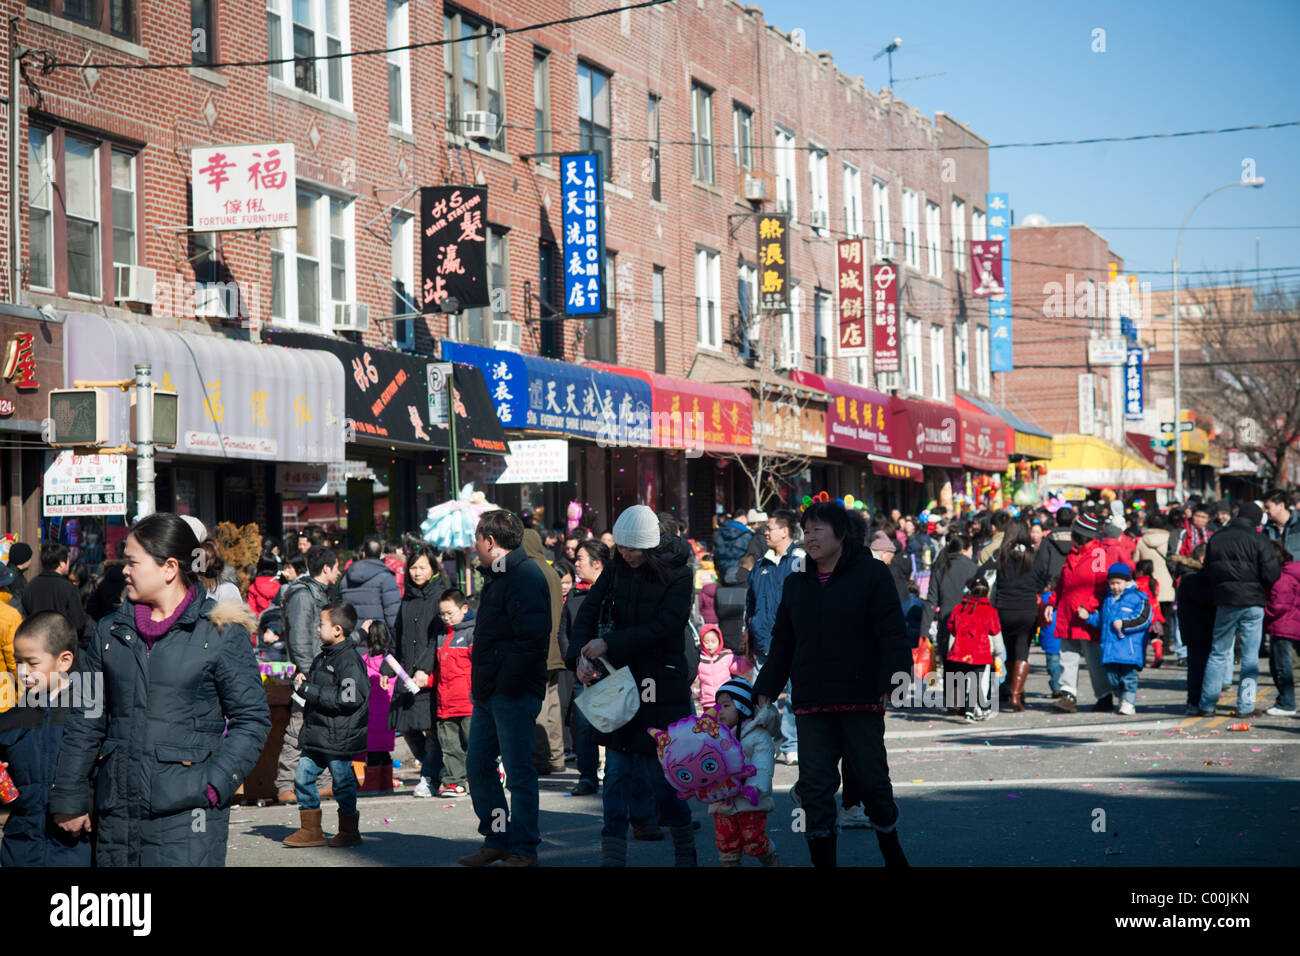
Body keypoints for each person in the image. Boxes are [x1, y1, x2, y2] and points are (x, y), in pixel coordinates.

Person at [50, 513, 270, 866]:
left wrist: (214, 784)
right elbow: (84, 718)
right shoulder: (107, 633)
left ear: (169, 567)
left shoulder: (220, 632)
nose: (124, 570)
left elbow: (253, 719)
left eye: (133, 561)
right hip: (116, 811)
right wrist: (69, 795)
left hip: (188, 815)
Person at [754, 501, 911, 868]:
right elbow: (783, 643)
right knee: (815, 789)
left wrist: (895, 677)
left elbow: (891, 632)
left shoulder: (872, 574)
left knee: (872, 783)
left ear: (841, 534)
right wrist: (765, 687)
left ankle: (892, 849)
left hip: (860, 696)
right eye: (806, 530)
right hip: (812, 701)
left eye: (818, 529)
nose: (810, 537)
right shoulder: (795, 584)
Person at [571, 504, 697, 867]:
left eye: (633, 549)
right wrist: (579, 655)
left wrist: (611, 644)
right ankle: (613, 854)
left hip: (661, 683)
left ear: (651, 545)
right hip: (619, 684)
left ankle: (684, 850)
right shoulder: (615, 568)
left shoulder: (678, 573)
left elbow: (666, 626)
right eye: (622, 548)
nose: (626, 555)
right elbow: (590, 610)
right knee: (616, 773)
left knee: (664, 776)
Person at [460, 510, 551, 867]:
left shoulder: (524, 575)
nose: (475, 546)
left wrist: (504, 684)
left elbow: (530, 641)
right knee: (479, 765)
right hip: (489, 692)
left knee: (518, 772)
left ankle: (524, 847)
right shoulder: (498, 576)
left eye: (477, 540)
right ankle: (497, 838)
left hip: (511, 693)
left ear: (490, 541)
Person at [0, 612, 91, 866]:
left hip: (75, 848)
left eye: (32, 663)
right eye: (18, 662)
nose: (23, 672)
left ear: (64, 661)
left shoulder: (87, 717)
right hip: (20, 847)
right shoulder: (11, 719)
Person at [284, 600, 368, 848]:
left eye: (321, 624)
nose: (317, 628)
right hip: (317, 734)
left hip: (339, 737)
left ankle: (349, 830)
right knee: (302, 777)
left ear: (337, 630)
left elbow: (349, 699)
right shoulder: (323, 656)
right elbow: (316, 686)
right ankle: (311, 829)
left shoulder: (349, 661)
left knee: (342, 783)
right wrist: (301, 683)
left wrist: (310, 689)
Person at [1201, 501, 1282, 717]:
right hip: (1253, 601)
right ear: (1256, 520)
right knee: (1250, 657)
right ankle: (1245, 705)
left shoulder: (1217, 537)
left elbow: (1207, 570)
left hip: (1225, 601)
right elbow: (1272, 573)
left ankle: (1207, 704)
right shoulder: (1259, 539)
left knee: (1218, 653)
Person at [275, 545, 341, 805]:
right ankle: (285, 784)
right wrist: (307, 672)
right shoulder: (304, 596)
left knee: (321, 728)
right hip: (310, 673)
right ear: (326, 568)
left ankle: (322, 783)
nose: (338, 573)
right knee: (298, 728)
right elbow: (300, 640)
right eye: (336, 568)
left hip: (321, 671)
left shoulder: (319, 593)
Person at [745, 511, 804, 763]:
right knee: (761, 695)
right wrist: (746, 631)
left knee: (794, 695)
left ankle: (791, 743)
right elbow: (750, 603)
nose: (765, 532)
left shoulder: (800, 561)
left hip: (793, 641)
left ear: (785, 531)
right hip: (763, 640)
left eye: (770, 528)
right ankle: (764, 742)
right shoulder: (760, 565)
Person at [389, 544, 444, 798]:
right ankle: (436, 769)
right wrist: (387, 670)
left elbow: (437, 638)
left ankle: (430, 776)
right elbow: (397, 634)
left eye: (422, 567)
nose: (417, 572)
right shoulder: (407, 597)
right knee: (407, 726)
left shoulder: (440, 596)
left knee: (431, 728)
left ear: (433, 568)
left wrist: (425, 668)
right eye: (413, 567)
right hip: (404, 672)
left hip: (429, 673)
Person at [707, 678, 780, 867]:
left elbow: (763, 764)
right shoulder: (715, 735)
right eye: (718, 706)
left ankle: (770, 857)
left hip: (750, 800)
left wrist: (755, 787)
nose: (719, 710)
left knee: (753, 841)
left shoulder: (757, 735)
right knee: (725, 842)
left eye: (725, 705)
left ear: (742, 707)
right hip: (722, 799)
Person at [1050, 511, 1114, 714]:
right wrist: (1052, 603)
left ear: (1081, 535)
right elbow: (1062, 584)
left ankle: (1104, 696)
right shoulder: (1072, 554)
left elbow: (1102, 586)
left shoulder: (1098, 554)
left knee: (1094, 659)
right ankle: (1068, 694)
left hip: (1086, 615)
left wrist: (1089, 606)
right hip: (1068, 614)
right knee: (1067, 655)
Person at [980, 519, 1046, 712]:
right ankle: (1016, 695)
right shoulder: (1035, 554)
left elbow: (984, 576)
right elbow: (1042, 580)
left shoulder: (1000, 555)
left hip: (1003, 609)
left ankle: (1011, 687)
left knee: (1008, 649)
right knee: (1022, 649)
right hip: (1027, 609)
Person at [562, 539, 607, 797]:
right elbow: (565, 634)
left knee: (614, 722)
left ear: (597, 563)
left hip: (611, 672)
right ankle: (587, 776)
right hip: (583, 672)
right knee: (583, 726)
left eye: (580, 559)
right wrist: (577, 663)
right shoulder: (575, 596)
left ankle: (614, 773)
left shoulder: (613, 593)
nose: (575, 564)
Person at [1079, 564, 1150, 716]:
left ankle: (1128, 701)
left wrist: (1124, 624)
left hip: (1128, 649)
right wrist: (1089, 618)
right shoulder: (1108, 599)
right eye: (1112, 583)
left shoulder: (1138, 598)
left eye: (1118, 583)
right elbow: (1102, 621)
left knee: (1129, 677)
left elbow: (1144, 620)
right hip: (1110, 649)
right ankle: (1121, 697)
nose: (1115, 586)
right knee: (1112, 678)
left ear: (1127, 582)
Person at [523, 528, 566, 776]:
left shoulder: (528, 572)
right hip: (554, 649)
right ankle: (557, 756)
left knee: (537, 706)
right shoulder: (551, 570)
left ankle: (540, 758)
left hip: (537, 650)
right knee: (552, 704)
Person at [435, 588, 475, 797]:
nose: (446, 618)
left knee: (474, 743)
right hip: (445, 703)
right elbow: (439, 670)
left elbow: (479, 666)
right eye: (442, 614)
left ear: (464, 609)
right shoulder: (442, 636)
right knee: (450, 746)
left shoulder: (471, 633)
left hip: (467, 702)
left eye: (450, 613)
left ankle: (491, 770)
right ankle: (454, 781)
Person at [924, 534, 979, 665]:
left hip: (946, 623)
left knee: (949, 670)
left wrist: (924, 631)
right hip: (970, 625)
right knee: (968, 670)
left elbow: (931, 600)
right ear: (964, 550)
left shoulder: (940, 569)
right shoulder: (974, 569)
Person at [356, 620, 396, 794]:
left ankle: (370, 786)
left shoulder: (363, 662)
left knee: (371, 752)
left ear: (367, 640)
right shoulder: (391, 663)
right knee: (384, 752)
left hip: (370, 715)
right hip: (388, 713)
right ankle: (386, 784)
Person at [1135, 512, 1180, 664]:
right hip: (1167, 584)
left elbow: (1136, 561)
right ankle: (1165, 645)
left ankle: (1150, 645)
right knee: (1166, 616)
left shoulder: (1141, 541)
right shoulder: (1169, 539)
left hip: (1148, 585)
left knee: (1148, 618)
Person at [25, 544, 88, 649]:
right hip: (61, 646)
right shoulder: (69, 588)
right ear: (62, 564)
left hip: (36, 644)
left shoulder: (30, 586)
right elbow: (78, 623)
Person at [1263, 539, 1298, 717]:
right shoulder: (1292, 572)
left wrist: (1262, 611)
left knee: (1281, 666)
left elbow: (1278, 605)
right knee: (1282, 665)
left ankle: (1286, 702)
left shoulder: (1282, 577)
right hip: (1292, 624)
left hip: (1283, 626)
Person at [339, 536, 402, 633]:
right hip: (378, 637)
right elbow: (393, 615)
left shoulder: (346, 577)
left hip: (352, 636)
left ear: (363, 554)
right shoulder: (386, 578)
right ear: (381, 554)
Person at [692, 626, 750, 710]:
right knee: (709, 722)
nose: (710, 645)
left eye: (713, 641)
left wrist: (748, 661)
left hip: (725, 699)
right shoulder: (700, 659)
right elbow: (694, 675)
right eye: (706, 642)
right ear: (701, 642)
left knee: (725, 722)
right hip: (708, 702)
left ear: (719, 640)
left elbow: (738, 667)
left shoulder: (726, 656)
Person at [1132, 559, 1165, 667]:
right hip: (1155, 613)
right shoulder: (1154, 582)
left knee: (1142, 639)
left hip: (1143, 615)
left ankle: (1141, 659)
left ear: (1140, 571)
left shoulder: (1136, 584)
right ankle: (1158, 655)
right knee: (1155, 636)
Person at [712, 510, 754, 579]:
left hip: (721, 568)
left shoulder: (719, 532)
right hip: (740, 570)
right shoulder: (747, 534)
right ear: (743, 517)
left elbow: (715, 551)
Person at [1265, 490, 1300, 562]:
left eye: (1268, 507)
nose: (1266, 511)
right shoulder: (1266, 529)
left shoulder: (1298, 525)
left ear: (1281, 505)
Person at [248, 551, 283, 617]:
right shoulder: (281, 585)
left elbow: (251, 610)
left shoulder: (253, 587)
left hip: (259, 622)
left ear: (259, 567)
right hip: (277, 621)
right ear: (275, 566)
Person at [5, 542, 32, 609]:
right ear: (24, 561)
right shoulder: (16, 580)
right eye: (29, 558)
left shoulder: (8, 573)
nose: (31, 560)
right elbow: (18, 604)